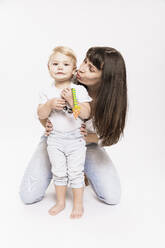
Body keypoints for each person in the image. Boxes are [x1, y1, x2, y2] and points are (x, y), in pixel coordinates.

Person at [19, 46, 127, 218]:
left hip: (85, 143)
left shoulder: (88, 95)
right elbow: (44, 113)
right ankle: (62, 191)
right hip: (55, 139)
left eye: (91, 68)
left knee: (112, 196)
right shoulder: (69, 84)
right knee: (28, 195)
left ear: (105, 78)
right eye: (85, 61)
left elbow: (106, 132)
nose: (82, 69)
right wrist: (46, 123)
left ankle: (80, 170)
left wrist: (88, 136)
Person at [37, 46, 92, 218]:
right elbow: (40, 114)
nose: (60, 67)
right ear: (49, 68)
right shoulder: (47, 92)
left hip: (76, 139)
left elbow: (85, 113)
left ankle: (78, 204)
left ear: (74, 70)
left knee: (76, 173)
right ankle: (60, 202)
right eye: (55, 63)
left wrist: (71, 100)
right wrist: (49, 105)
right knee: (58, 172)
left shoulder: (79, 90)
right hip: (55, 139)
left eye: (66, 64)